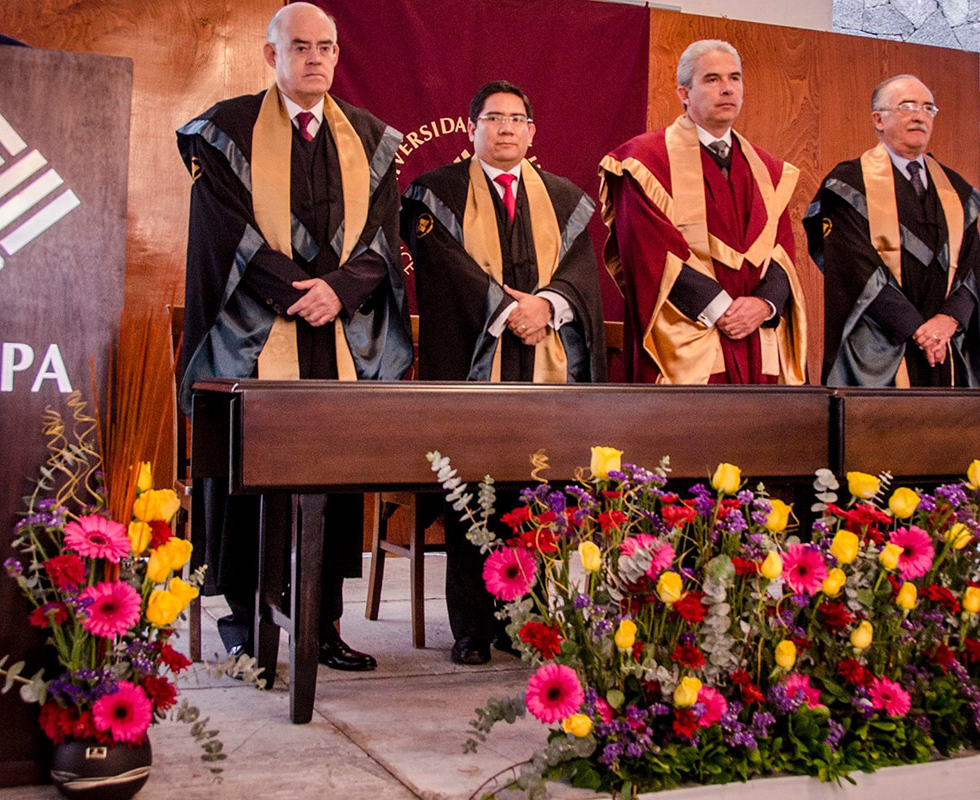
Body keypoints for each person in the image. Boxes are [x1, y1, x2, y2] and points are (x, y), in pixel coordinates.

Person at [176, 2, 412, 671]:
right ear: (270, 54)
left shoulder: (370, 138)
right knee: (256, 480)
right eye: (300, 46)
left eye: (326, 47)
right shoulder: (225, 130)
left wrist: (339, 290)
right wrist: (298, 293)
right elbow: (225, 232)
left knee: (331, 485)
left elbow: (381, 243)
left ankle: (322, 622)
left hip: (336, 339)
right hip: (254, 337)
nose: (315, 58)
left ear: (338, 55)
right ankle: (249, 617)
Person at [401, 80, 606, 664]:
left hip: (545, 362)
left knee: (535, 492)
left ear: (532, 132)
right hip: (472, 363)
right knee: (472, 490)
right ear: (473, 128)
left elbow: (581, 274)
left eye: (517, 118)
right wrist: (507, 308)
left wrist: (547, 305)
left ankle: (530, 620)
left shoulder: (564, 198)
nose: (507, 128)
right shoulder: (434, 192)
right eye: (494, 118)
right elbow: (444, 272)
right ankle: (470, 627)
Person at [599, 40, 807, 384]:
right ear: (684, 93)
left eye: (734, 78)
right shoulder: (644, 162)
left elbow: (783, 251)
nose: (727, 88)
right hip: (688, 335)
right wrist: (721, 309)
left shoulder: (769, 170)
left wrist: (764, 305)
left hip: (756, 336)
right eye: (712, 79)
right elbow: (649, 251)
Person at [804, 75, 980, 387]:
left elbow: (971, 268)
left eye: (928, 108)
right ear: (878, 119)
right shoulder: (849, 186)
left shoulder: (959, 191)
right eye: (907, 106)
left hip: (946, 345)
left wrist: (947, 321)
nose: (919, 115)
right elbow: (854, 268)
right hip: (880, 345)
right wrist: (917, 329)